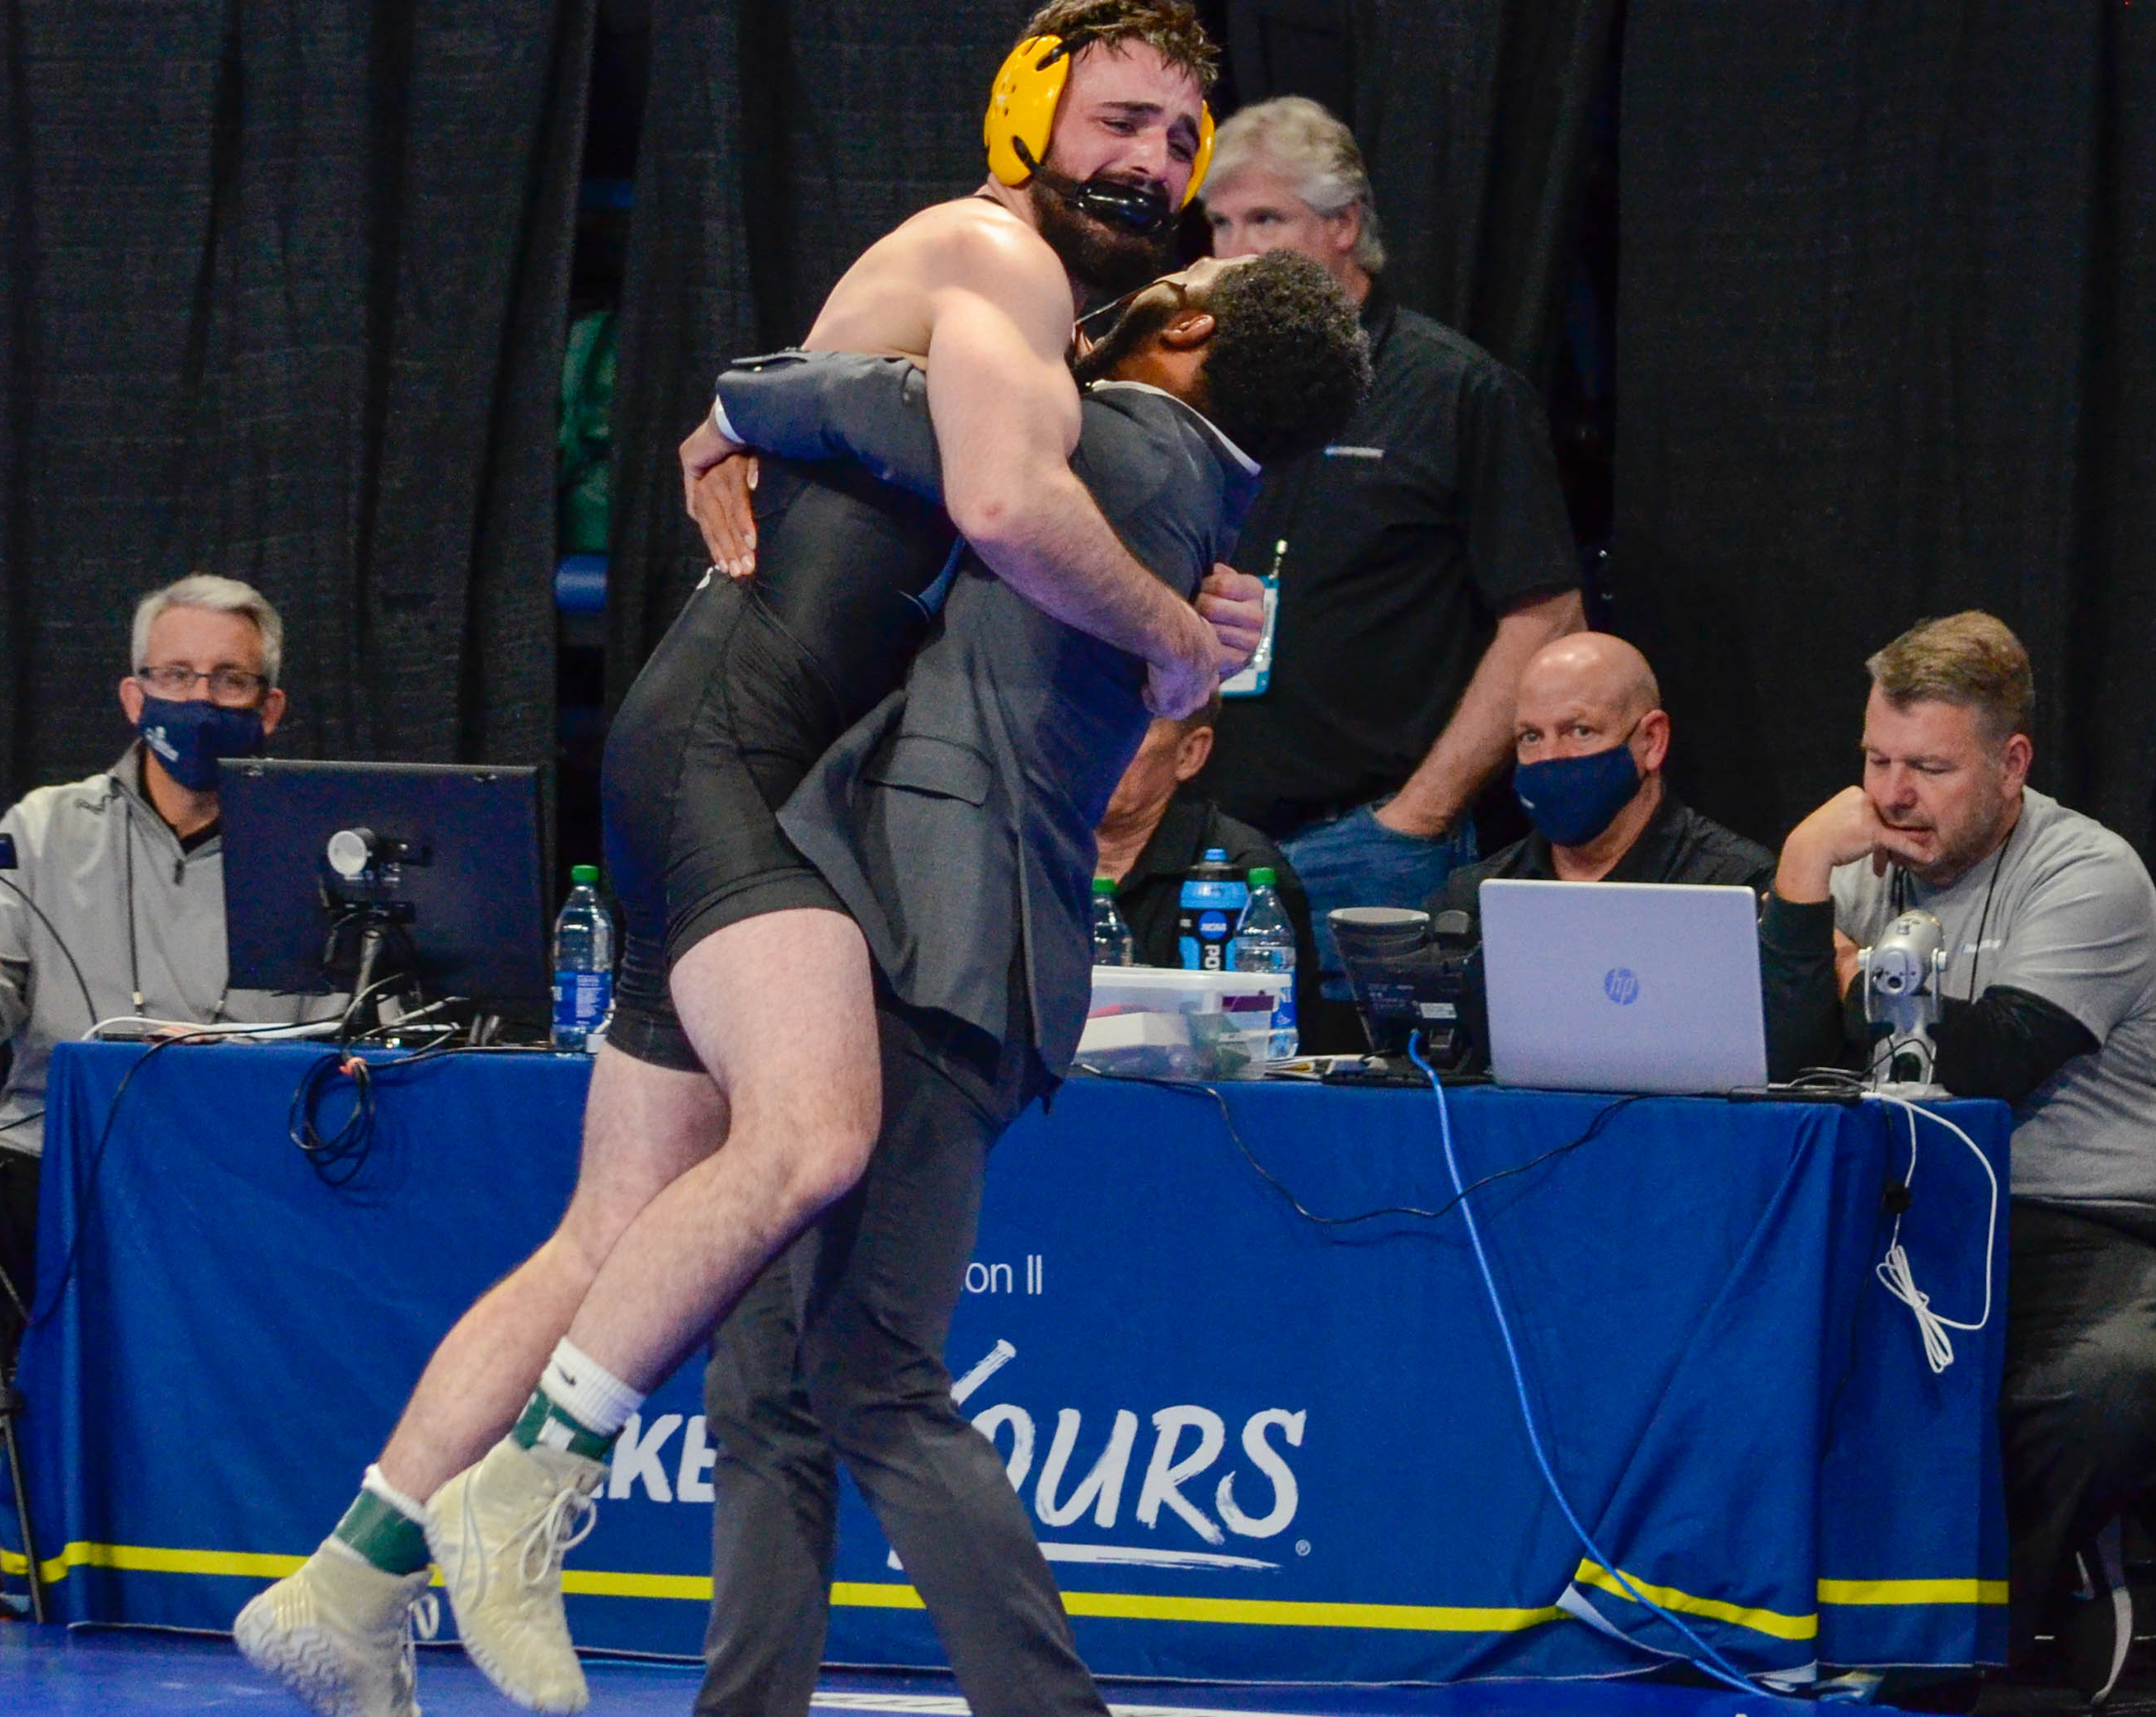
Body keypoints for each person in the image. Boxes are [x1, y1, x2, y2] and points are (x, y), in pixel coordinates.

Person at [236, 0, 1265, 1717]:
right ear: (1027, 112)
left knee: (610, 1226)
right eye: (1118, 118)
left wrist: (749, 408)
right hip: (740, 753)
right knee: (815, 1131)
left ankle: (346, 1582)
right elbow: (1006, 505)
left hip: (707, 746)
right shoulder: (994, 254)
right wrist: (1175, 640)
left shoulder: (1015, 304)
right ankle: (523, 1496)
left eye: (1179, 136)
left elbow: (938, 446)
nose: (1151, 162)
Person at [676, 250, 1367, 1716]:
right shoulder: (1190, 490)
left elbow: (859, 401)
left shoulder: (1109, 445)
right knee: (767, 1385)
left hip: (936, 941)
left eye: (1190, 266)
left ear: (1189, 326)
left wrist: (731, 406)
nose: (1160, 264)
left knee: (867, 1375)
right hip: (916, 934)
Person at [1759, 610, 2156, 1691]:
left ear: (2011, 764)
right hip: (1901, 1220)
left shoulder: (2089, 872)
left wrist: (1843, 974)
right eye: (1876, 761)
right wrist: (1801, 868)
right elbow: (1775, 1060)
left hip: (2087, 1224)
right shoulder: (1856, 867)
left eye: (1929, 768)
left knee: (2093, 1392)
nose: (1893, 795)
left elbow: (1987, 1058)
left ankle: (1987, 1642)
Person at [0, 575, 326, 1600]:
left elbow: (354, 1037)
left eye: (229, 680)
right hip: (48, 1171)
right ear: (133, 694)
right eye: (177, 675)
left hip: (239, 1192)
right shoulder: (45, 825)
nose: (199, 699)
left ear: (270, 706)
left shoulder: (322, 844)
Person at [1197, 97, 1586, 971]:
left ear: (1344, 224)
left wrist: (1420, 812)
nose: (1234, 251)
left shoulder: (1455, 390)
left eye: (1266, 219)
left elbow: (1547, 617)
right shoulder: (1201, 387)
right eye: (1220, 223)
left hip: (1371, 844)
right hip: (1210, 844)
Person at [1428, 631, 1772, 924]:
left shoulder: (1735, 888)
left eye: (1580, 731)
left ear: (1651, 740)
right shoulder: (1474, 902)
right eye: (1531, 737)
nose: (1549, 757)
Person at [1092, 694, 1318, 1021]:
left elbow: (1259, 1028)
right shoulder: (1031, 854)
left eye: (1123, 726)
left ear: (1189, 753)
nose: (1089, 748)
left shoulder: (1244, 874)